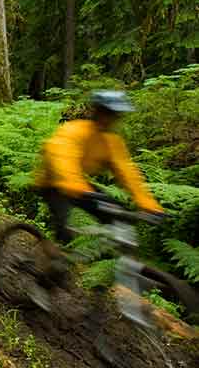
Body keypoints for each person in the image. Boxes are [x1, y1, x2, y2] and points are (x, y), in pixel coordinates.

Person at [30, 90, 164, 309]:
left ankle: (126, 270)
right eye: (108, 113)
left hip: (81, 186)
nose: (111, 119)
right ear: (97, 112)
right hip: (53, 184)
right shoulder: (73, 130)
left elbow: (127, 174)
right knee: (64, 235)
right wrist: (76, 186)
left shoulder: (112, 142)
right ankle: (42, 283)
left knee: (120, 215)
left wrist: (149, 205)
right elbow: (61, 158)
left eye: (115, 115)